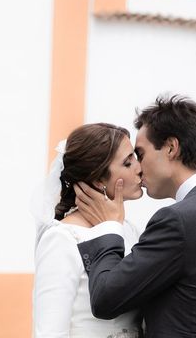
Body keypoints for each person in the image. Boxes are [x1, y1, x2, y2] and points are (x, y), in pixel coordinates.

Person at [75, 96, 196, 338]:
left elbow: (106, 299)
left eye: (141, 153)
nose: (138, 167)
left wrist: (108, 227)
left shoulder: (176, 221)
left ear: (171, 147)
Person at [32, 123, 145, 338]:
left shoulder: (130, 231)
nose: (139, 168)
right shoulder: (62, 238)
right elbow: (50, 331)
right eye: (128, 162)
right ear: (98, 179)